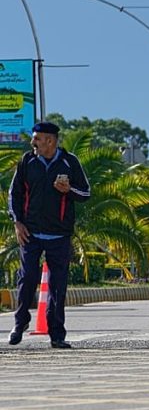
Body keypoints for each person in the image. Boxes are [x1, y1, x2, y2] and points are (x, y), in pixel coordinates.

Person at [7, 122, 91, 348]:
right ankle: (20, 323)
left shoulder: (69, 162)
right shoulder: (27, 161)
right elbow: (14, 194)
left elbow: (85, 192)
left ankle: (56, 334)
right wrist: (17, 222)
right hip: (31, 233)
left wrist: (68, 190)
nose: (33, 142)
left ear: (50, 141)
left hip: (59, 235)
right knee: (27, 280)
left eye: (37, 138)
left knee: (57, 286)